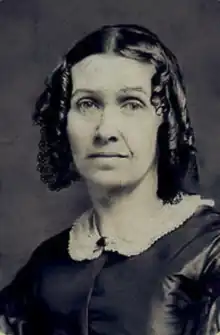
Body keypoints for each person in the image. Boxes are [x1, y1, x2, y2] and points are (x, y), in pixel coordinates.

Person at [0, 24, 220, 335]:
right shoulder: (46, 265)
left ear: (163, 120)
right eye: (88, 104)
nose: (106, 130)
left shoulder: (210, 250)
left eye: (131, 104)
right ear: (64, 121)